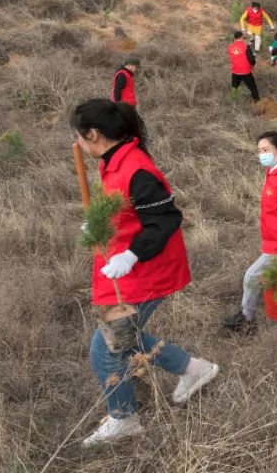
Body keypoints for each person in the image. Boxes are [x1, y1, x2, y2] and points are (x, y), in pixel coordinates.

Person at [71, 99, 217, 446]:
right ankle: (193, 369)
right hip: (131, 271)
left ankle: (124, 419)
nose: (76, 144)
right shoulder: (114, 161)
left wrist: (131, 256)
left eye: (78, 136)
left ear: (94, 134)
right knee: (128, 337)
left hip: (147, 273)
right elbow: (126, 211)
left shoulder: (135, 168)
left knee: (106, 349)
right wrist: (101, 223)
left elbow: (166, 220)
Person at [222, 132, 277, 332]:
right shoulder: (275, 173)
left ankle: (247, 319)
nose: (262, 154)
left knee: (252, 276)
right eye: (259, 150)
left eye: (266, 150)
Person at [228, 32, 260, 102]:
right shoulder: (246, 46)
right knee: (252, 87)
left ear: (234, 38)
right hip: (246, 72)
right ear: (241, 37)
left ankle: (233, 101)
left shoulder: (230, 47)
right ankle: (257, 101)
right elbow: (251, 60)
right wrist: (253, 64)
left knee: (234, 87)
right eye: (243, 38)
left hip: (235, 71)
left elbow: (232, 58)